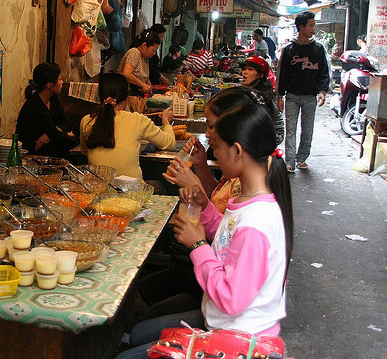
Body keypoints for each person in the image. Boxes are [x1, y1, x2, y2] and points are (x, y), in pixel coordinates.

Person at [117, 103, 293, 359]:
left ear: (236, 151)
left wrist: (198, 246)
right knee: (140, 333)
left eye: (218, 147)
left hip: (239, 338)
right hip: (224, 320)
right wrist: (206, 207)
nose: (215, 153)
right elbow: (227, 236)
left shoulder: (257, 223)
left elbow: (230, 299)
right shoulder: (250, 200)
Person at [80, 72, 176, 182]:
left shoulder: (87, 120)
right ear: (127, 97)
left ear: (99, 97)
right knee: (159, 185)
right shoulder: (138, 120)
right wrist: (165, 120)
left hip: (98, 190)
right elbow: (170, 144)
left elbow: (84, 150)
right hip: (132, 194)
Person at [277, 11, 330, 172]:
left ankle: (302, 158)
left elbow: (324, 71)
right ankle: (290, 161)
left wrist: (323, 91)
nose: (314, 28)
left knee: (308, 129)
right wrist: (280, 96)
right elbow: (282, 74)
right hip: (292, 96)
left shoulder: (318, 49)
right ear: (301, 27)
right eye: (311, 25)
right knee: (291, 129)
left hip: (310, 97)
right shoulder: (289, 49)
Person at [16, 62, 76, 158]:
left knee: (71, 141)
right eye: (59, 79)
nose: (62, 82)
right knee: (70, 141)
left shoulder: (53, 98)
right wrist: (59, 134)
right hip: (33, 150)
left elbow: (68, 124)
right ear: (49, 85)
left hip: (48, 146)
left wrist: (49, 135)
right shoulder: (35, 105)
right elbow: (56, 135)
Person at [241, 56, 284, 146]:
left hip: (265, 141)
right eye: (244, 69)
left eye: (250, 69)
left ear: (260, 75)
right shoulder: (246, 92)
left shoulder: (262, 98)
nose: (245, 72)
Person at [118, 30, 162, 96]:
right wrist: (143, 85)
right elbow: (126, 74)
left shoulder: (145, 57)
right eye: (153, 50)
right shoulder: (134, 53)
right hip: (127, 94)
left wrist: (147, 82)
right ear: (144, 45)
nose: (154, 53)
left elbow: (142, 75)